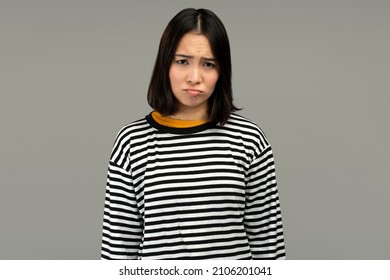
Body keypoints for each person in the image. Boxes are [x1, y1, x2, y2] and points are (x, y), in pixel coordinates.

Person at [101, 8, 286, 260]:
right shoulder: (131, 144)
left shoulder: (249, 140)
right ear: (165, 64)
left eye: (208, 64)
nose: (195, 77)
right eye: (182, 61)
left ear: (222, 72)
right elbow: (118, 250)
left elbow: (269, 245)